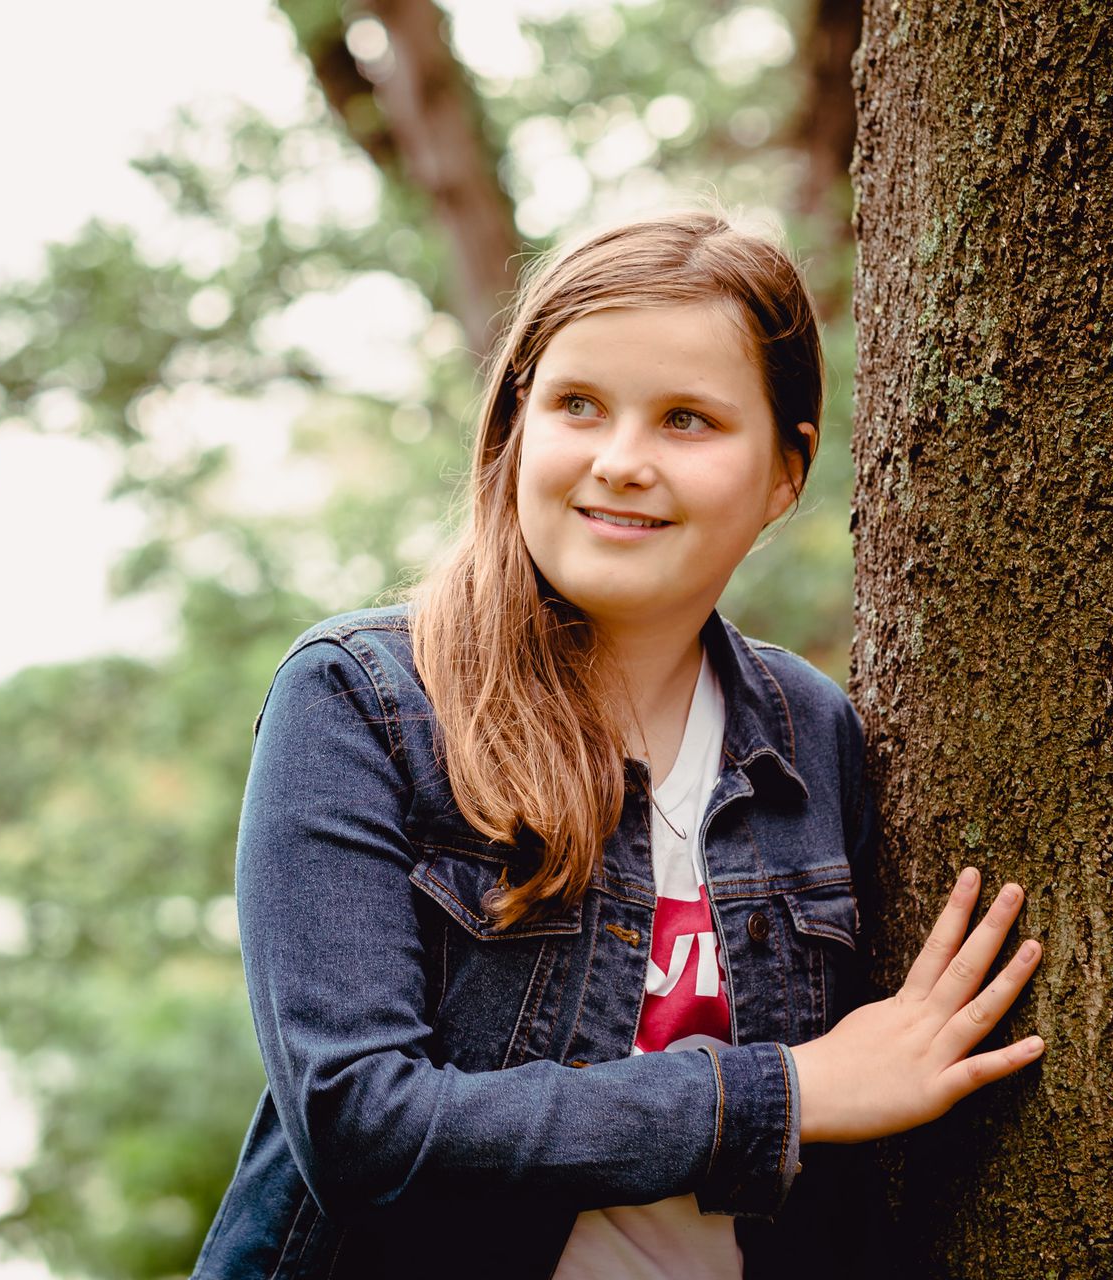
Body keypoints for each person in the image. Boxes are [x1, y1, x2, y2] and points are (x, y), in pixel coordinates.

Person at [191, 208, 1045, 1280]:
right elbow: (359, 1125)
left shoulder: (813, 735)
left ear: (788, 471)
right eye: (578, 405)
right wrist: (785, 1093)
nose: (622, 461)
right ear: (515, 430)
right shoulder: (363, 700)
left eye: (688, 419)